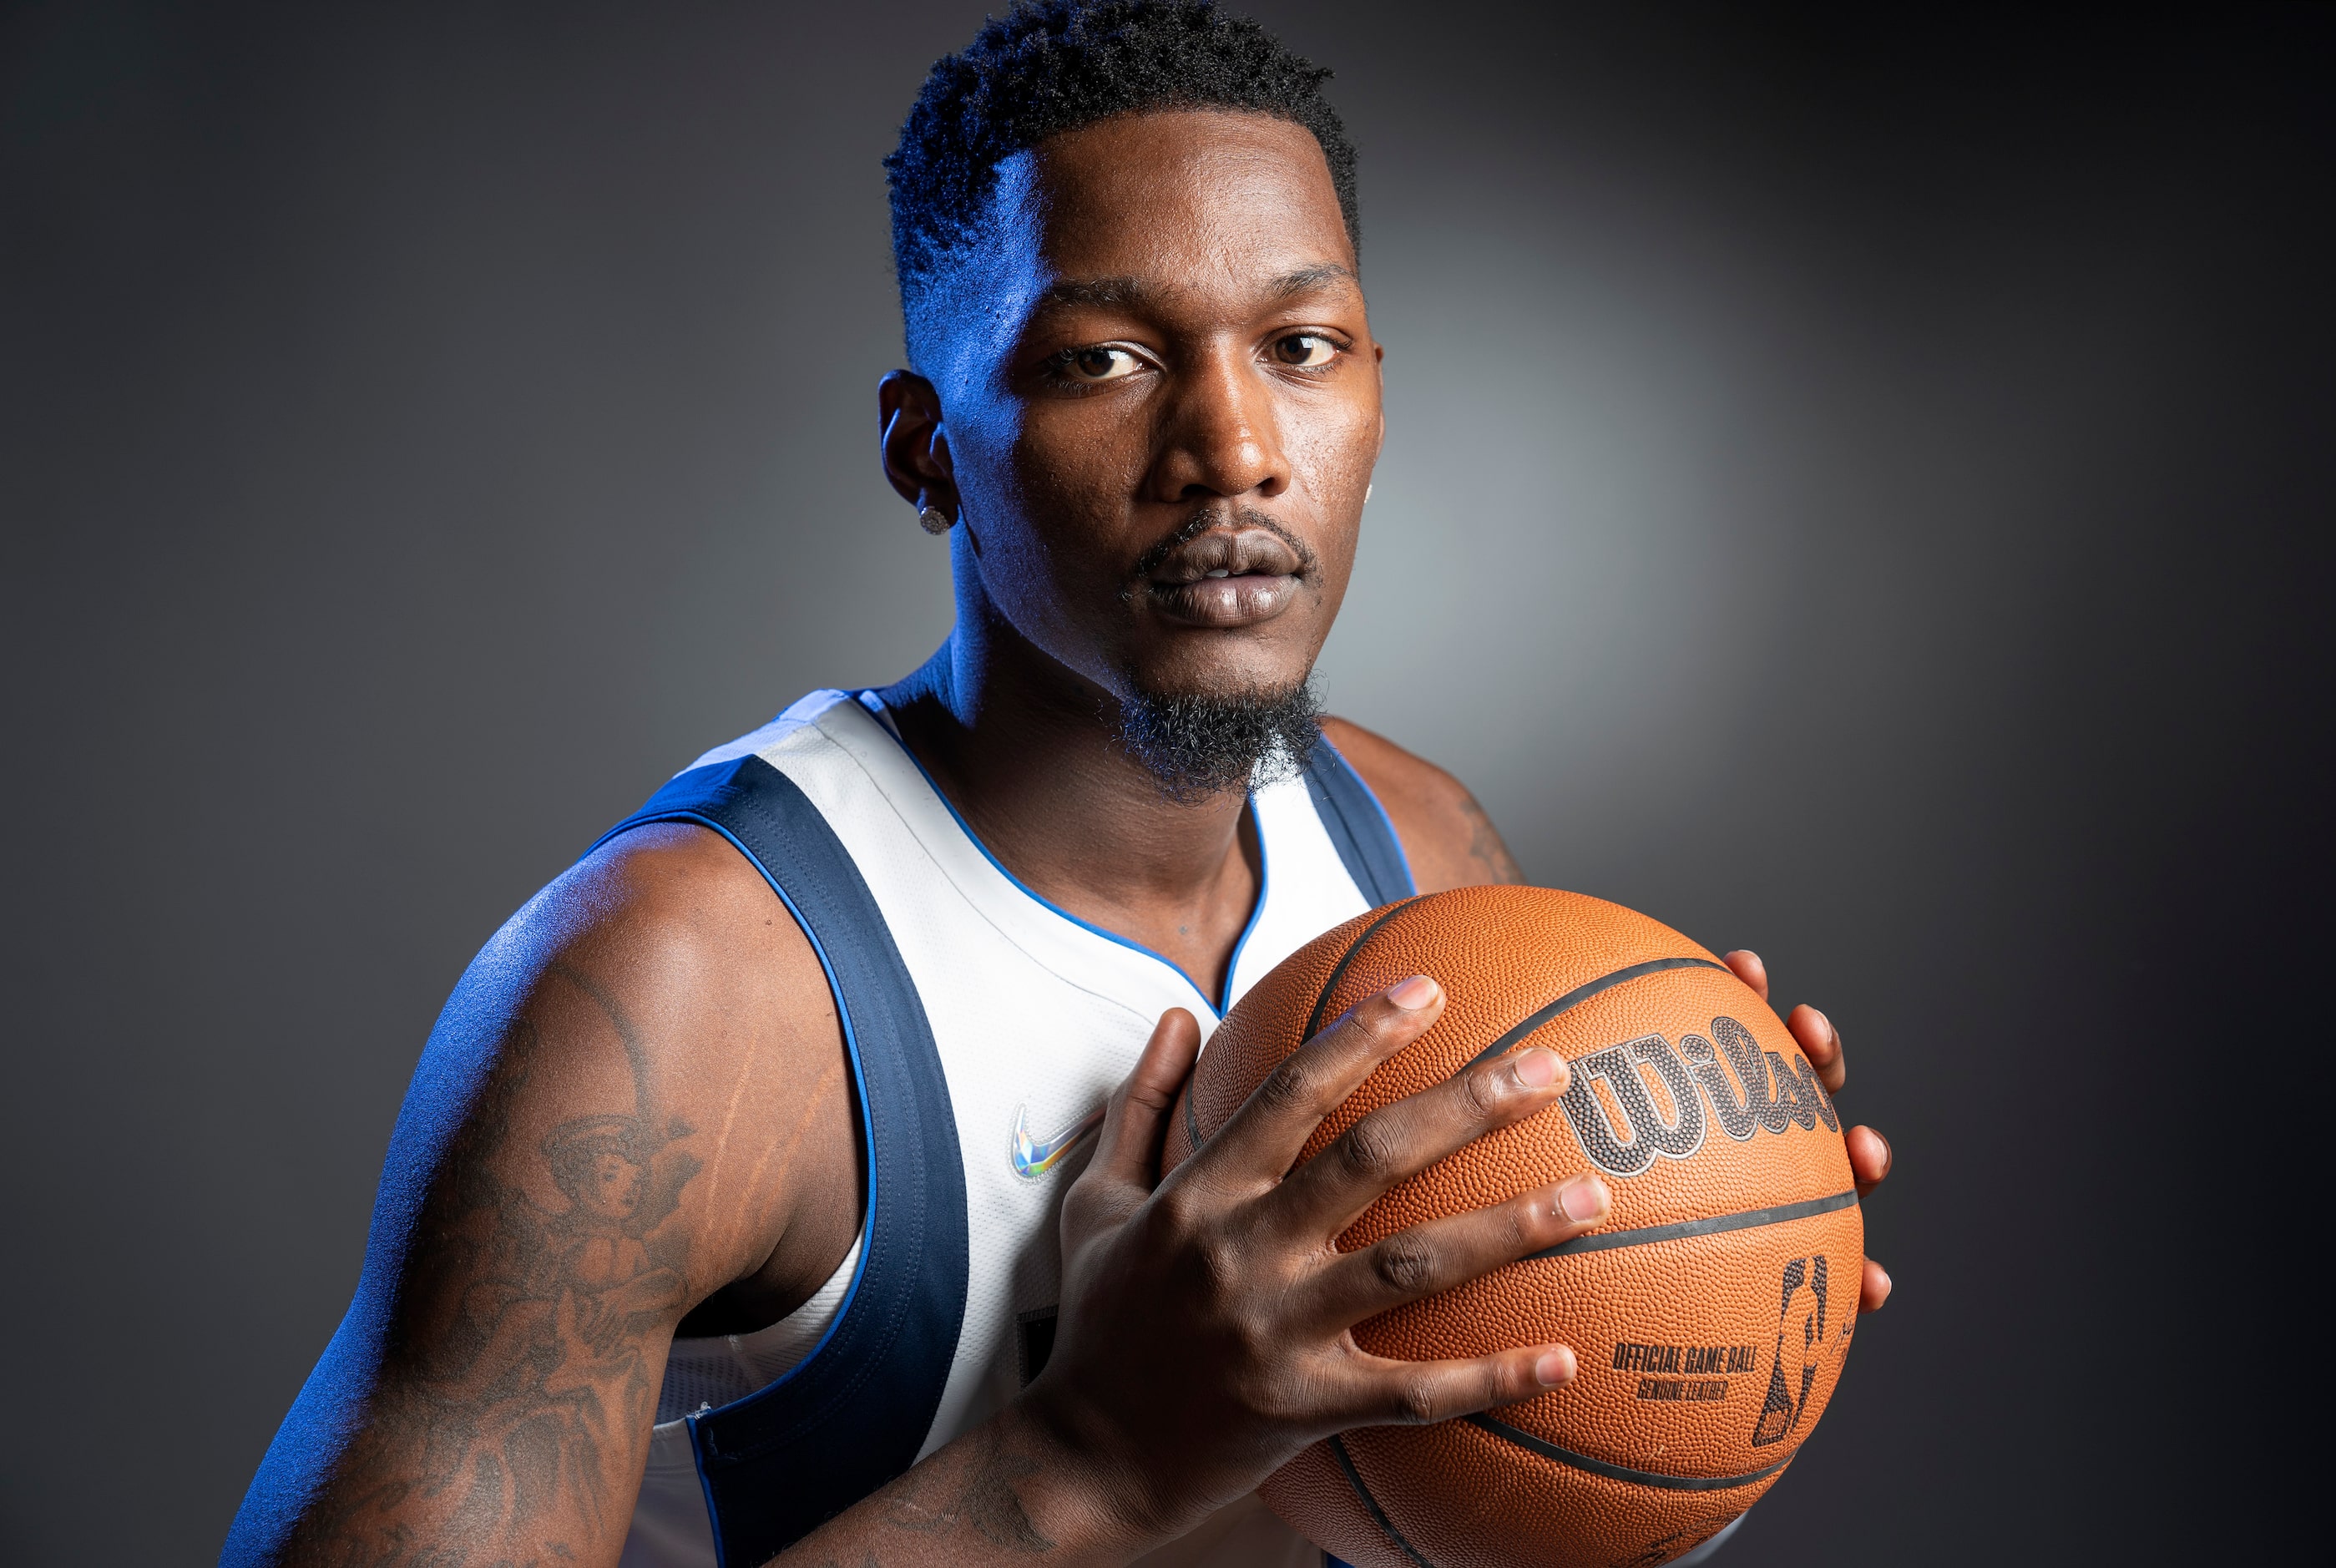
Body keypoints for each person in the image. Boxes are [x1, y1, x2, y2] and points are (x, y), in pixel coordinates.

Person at [223, 4, 1894, 1565]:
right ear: (922, 448)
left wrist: (1696, 1269)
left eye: (1300, 345)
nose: (1232, 445)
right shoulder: (679, 996)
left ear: (1378, 398)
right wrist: (1079, 1457)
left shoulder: (1421, 851)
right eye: (1105, 359)